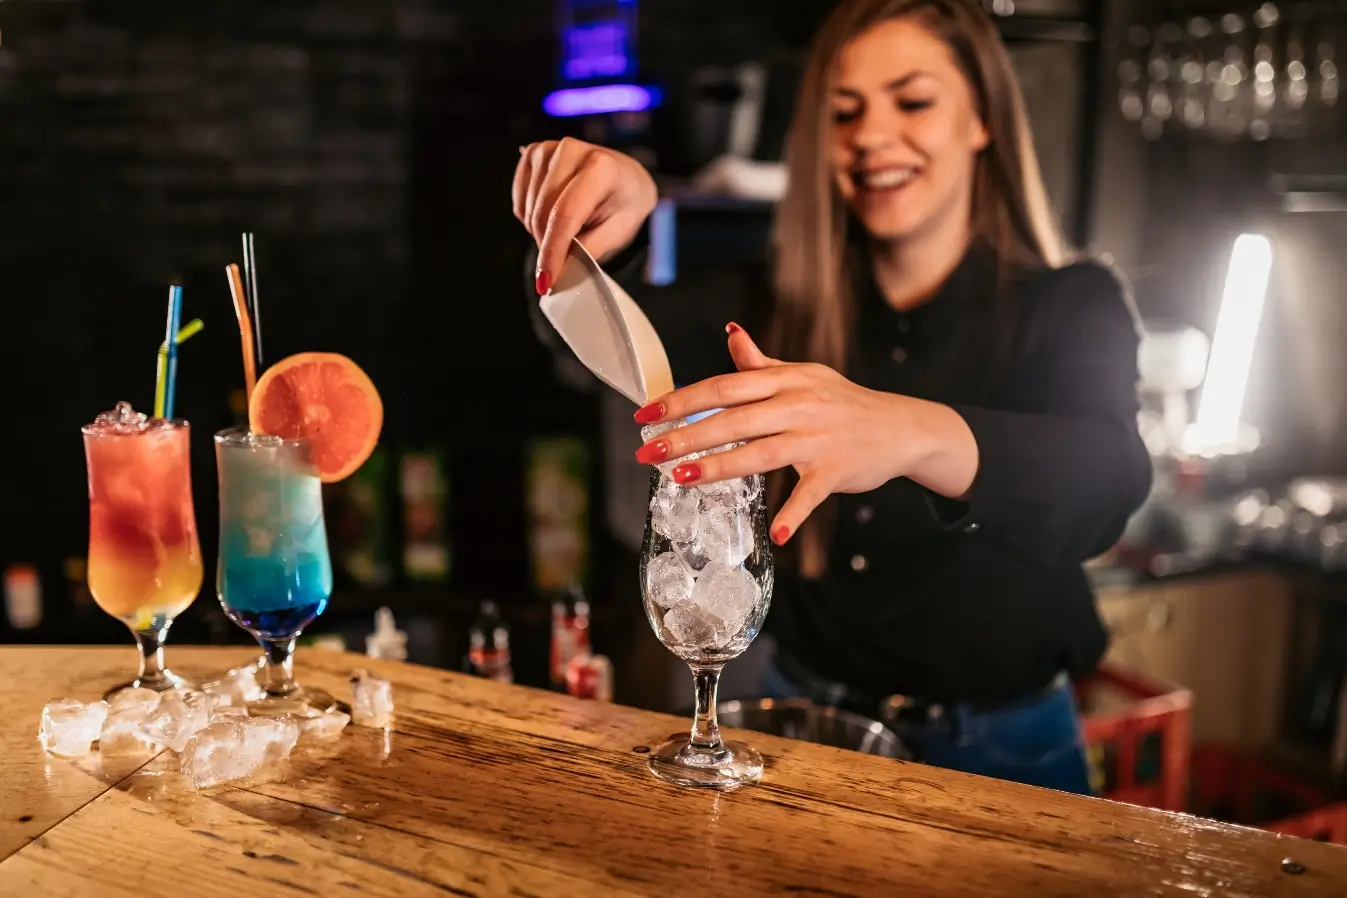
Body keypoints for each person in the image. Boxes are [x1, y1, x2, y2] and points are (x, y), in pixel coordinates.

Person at [512, 0, 1151, 794]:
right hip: (801, 731)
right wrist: (613, 225)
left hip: (999, 754)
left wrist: (909, 431)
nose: (871, 136)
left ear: (981, 119)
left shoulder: (1070, 302)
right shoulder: (775, 301)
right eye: (843, 113)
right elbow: (589, 347)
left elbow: (1105, 485)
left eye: (912, 101)